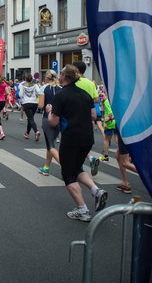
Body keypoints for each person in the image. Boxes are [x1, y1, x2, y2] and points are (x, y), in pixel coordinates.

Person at [48, 65, 107, 222]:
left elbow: (53, 122)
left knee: (68, 174)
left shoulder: (60, 96)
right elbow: (94, 115)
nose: (59, 76)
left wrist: (49, 111)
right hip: (87, 138)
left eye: (61, 73)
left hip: (71, 138)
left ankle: (83, 210)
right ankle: (96, 191)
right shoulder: (85, 94)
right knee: (77, 168)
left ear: (64, 77)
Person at [37, 70, 62, 175]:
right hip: (59, 119)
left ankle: (64, 165)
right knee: (50, 144)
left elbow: (41, 106)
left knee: (50, 145)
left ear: (47, 78)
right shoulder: (61, 89)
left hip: (47, 118)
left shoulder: (44, 88)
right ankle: (46, 168)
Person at [19, 73, 41, 141]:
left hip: (26, 103)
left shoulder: (23, 85)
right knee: (30, 118)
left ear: (25, 79)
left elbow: (20, 94)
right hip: (34, 103)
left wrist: (23, 97)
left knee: (30, 119)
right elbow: (38, 92)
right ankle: (27, 133)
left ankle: (36, 131)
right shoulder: (35, 85)